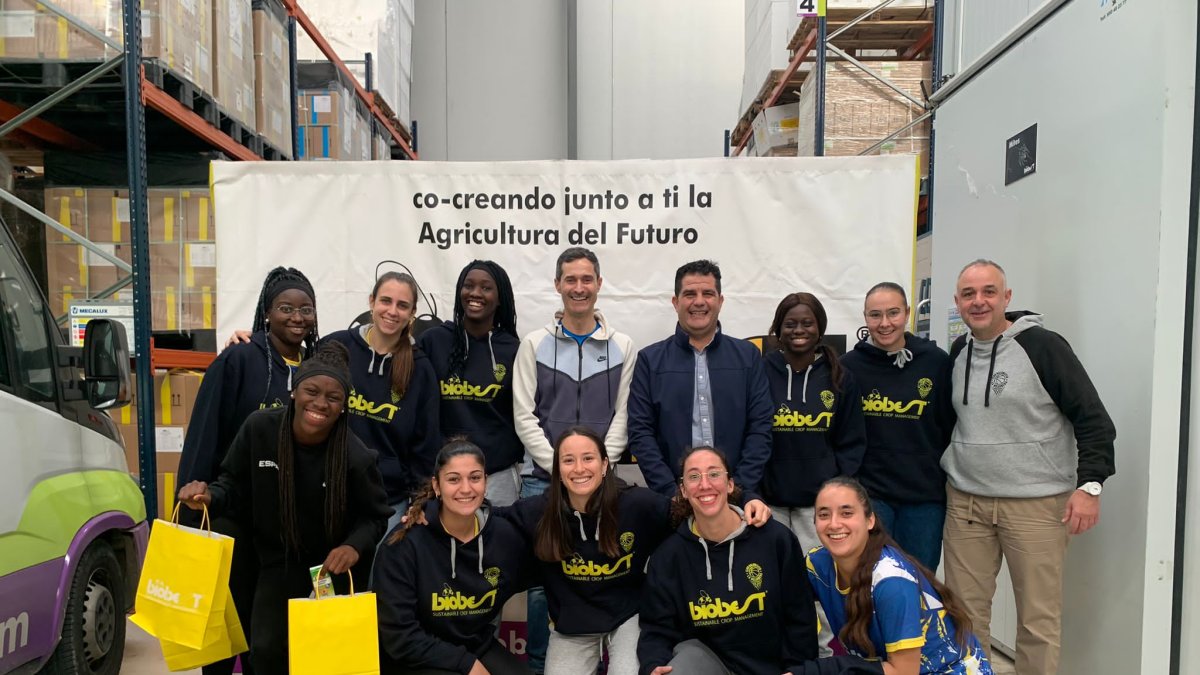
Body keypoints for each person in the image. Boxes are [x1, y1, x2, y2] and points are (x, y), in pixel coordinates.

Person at [942, 259, 1116, 674]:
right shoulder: (958, 351)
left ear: (1007, 297)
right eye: (969, 294)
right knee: (964, 617)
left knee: (1037, 621)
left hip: (1036, 506)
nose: (978, 301)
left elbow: (1093, 419)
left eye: (988, 292)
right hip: (967, 504)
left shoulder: (1043, 346)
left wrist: (1090, 485)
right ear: (957, 302)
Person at [177, 341, 392, 675]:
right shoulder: (259, 428)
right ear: (294, 391)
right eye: (311, 391)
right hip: (278, 561)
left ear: (344, 406)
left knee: (324, 660)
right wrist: (208, 497)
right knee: (265, 651)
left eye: (333, 398)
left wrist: (353, 545)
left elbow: (376, 517)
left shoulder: (356, 456)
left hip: (328, 569)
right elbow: (232, 483)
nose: (320, 403)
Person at [177, 266, 319, 675]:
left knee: (269, 640)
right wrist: (191, 511)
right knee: (222, 632)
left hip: (287, 532)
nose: (296, 317)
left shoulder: (317, 366)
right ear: (267, 313)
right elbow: (205, 433)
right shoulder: (238, 359)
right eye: (285, 308)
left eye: (306, 309)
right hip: (232, 519)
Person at [512, 247, 637, 674]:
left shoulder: (623, 346)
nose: (578, 288)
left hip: (604, 483)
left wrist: (596, 469)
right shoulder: (534, 344)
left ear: (599, 285)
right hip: (542, 482)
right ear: (557, 285)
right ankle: (537, 664)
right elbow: (523, 415)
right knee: (540, 587)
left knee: (606, 570)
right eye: (570, 279)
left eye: (587, 279)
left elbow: (625, 414)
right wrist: (561, 468)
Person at [501, 427, 674, 675]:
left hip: (629, 617)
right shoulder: (539, 512)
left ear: (605, 465)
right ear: (557, 470)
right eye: (568, 460)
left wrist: (742, 507)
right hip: (573, 627)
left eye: (588, 458)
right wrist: (429, 510)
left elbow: (686, 516)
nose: (579, 469)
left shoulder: (638, 504)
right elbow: (486, 520)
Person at [637, 446, 818, 675]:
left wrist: (797, 670)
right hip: (708, 665)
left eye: (714, 474)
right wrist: (653, 665)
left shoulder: (776, 540)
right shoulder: (668, 557)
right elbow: (657, 629)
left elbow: (800, 619)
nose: (705, 485)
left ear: (730, 484)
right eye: (693, 477)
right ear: (683, 490)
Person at [375, 438, 536, 675]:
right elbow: (400, 636)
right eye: (453, 479)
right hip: (413, 657)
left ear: (485, 481)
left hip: (475, 646)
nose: (466, 488)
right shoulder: (403, 544)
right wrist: (466, 664)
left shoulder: (503, 537)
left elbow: (549, 571)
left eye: (474, 477)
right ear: (437, 486)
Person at [627, 260, 772, 521]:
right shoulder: (650, 360)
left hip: (737, 502)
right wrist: (673, 493)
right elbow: (640, 433)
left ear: (720, 300)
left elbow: (760, 428)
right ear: (675, 302)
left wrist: (737, 489)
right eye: (690, 294)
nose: (699, 302)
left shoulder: (747, 357)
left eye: (708, 294)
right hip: (673, 505)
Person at [808, 477, 991, 675]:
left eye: (846, 513)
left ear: (870, 520)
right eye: (824, 514)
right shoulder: (816, 563)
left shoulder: (892, 582)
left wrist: (823, 669)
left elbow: (904, 672)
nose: (834, 524)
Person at [840, 283, 953, 572]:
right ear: (865, 318)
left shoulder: (936, 363)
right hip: (872, 496)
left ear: (907, 313)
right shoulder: (849, 367)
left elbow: (949, 425)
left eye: (893, 313)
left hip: (925, 499)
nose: (885, 323)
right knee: (870, 582)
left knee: (920, 581)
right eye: (875, 315)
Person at [324, 271, 441, 537]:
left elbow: (425, 443)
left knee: (377, 579)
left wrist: (418, 500)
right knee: (324, 577)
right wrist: (255, 338)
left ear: (412, 313)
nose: (392, 311)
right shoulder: (337, 346)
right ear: (371, 302)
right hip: (328, 495)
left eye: (402, 305)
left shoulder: (420, 369)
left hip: (388, 505)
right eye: (385, 301)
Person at [761, 292, 867, 548]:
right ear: (778, 329)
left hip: (819, 505)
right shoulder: (760, 372)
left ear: (820, 328)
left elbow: (852, 440)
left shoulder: (839, 376)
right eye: (790, 324)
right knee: (777, 577)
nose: (799, 330)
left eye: (807, 323)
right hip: (769, 503)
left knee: (817, 576)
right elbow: (749, 433)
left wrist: (833, 488)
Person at [418, 261, 523, 506]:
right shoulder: (433, 341)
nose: (475, 293)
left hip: (497, 476)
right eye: (468, 286)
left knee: (498, 542)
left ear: (500, 299)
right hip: (444, 474)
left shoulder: (514, 350)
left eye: (486, 288)